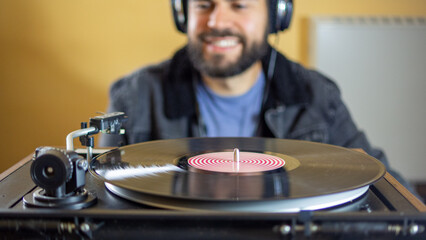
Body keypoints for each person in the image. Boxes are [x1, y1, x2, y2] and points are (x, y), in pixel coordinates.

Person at [100, 0, 418, 196]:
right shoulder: (134, 96)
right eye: (203, 4)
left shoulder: (316, 94)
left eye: (239, 4)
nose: (217, 21)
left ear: (276, 15)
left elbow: (387, 184)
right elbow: (102, 193)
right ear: (182, 14)